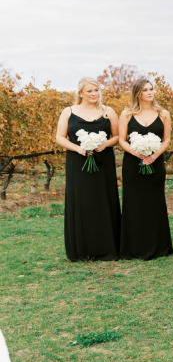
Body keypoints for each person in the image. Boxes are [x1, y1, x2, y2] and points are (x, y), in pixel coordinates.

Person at [55, 77, 120, 261]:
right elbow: (60, 137)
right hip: (78, 162)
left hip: (103, 162)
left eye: (96, 90)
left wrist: (104, 144)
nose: (94, 94)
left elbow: (116, 136)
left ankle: (107, 247)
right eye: (90, 91)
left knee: (103, 200)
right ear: (81, 93)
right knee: (81, 202)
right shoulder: (68, 112)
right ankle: (82, 249)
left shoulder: (108, 112)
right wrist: (79, 149)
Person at [118, 77, 173, 260]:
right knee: (134, 204)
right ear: (138, 93)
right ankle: (133, 247)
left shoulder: (163, 113)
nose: (150, 92)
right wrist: (137, 153)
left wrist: (154, 155)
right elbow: (121, 140)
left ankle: (158, 246)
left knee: (154, 202)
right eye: (145, 90)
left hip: (156, 162)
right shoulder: (127, 114)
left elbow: (166, 140)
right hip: (133, 163)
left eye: (151, 89)